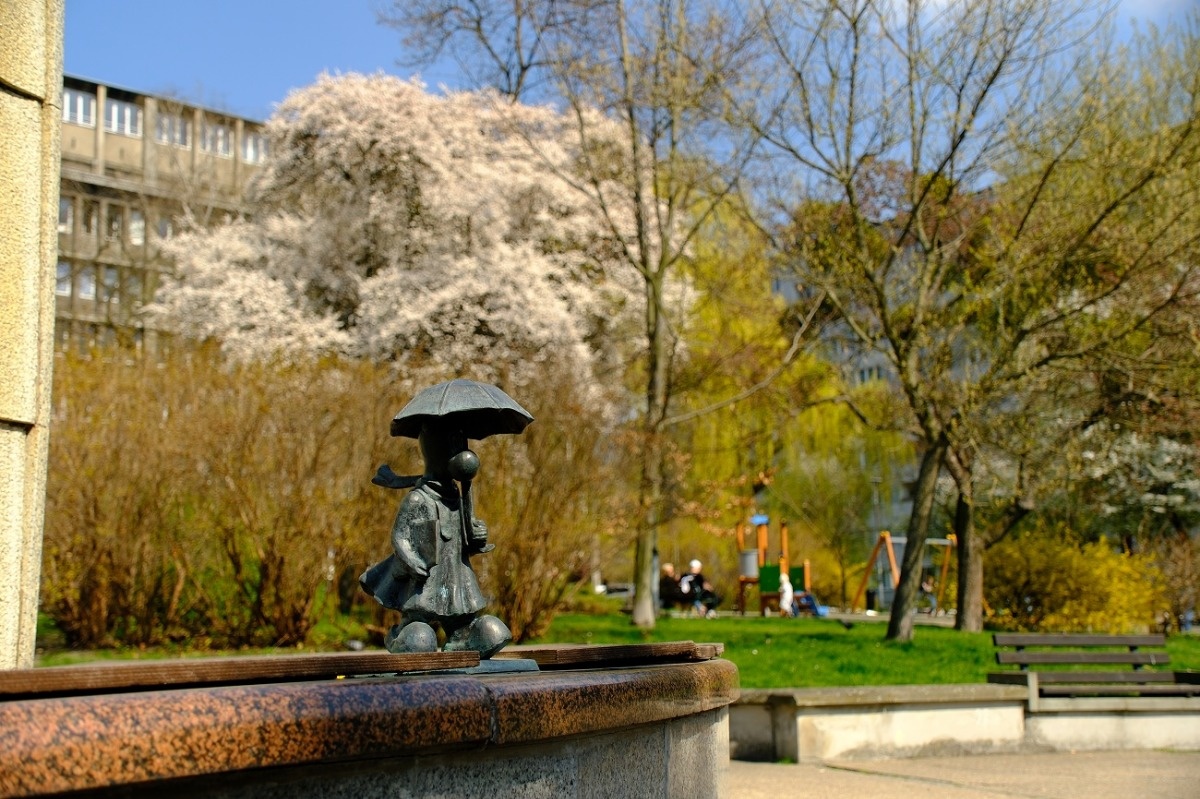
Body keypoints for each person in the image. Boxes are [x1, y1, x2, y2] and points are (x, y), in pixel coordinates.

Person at [360, 421, 511, 657]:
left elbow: (466, 541)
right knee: (420, 638)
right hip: (426, 582)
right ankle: (405, 634)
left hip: (456, 579)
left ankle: (460, 635)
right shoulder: (419, 499)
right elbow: (400, 536)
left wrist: (477, 537)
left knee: (490, 630)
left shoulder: (456, 498)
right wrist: (411, 561)